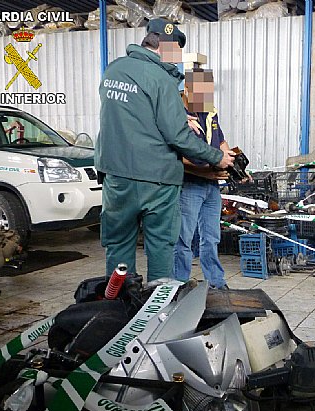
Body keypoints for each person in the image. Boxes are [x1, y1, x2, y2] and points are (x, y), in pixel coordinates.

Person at [95, 19, 234, 283]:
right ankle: (158, 310)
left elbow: (131, 116)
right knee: (161, 246)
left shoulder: (114, 70)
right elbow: (177, 136)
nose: (178, 58)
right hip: (156, 181)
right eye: (177, 50)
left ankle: (119, 305)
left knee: (118, 245)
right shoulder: (162, 78)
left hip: (116, 178)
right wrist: (218, 157)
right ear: (165, 46)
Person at [174, 67, 230, 289]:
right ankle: (179, 285)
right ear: (187, 89)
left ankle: (216, 282)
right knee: (183, 239)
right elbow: (175, 157)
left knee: (211, 237)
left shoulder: (209, 112)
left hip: (212, 186)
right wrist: (207, 170)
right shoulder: (176, 114)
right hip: (189, 186)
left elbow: (221, 141)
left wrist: (234, 162)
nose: (206, 97)